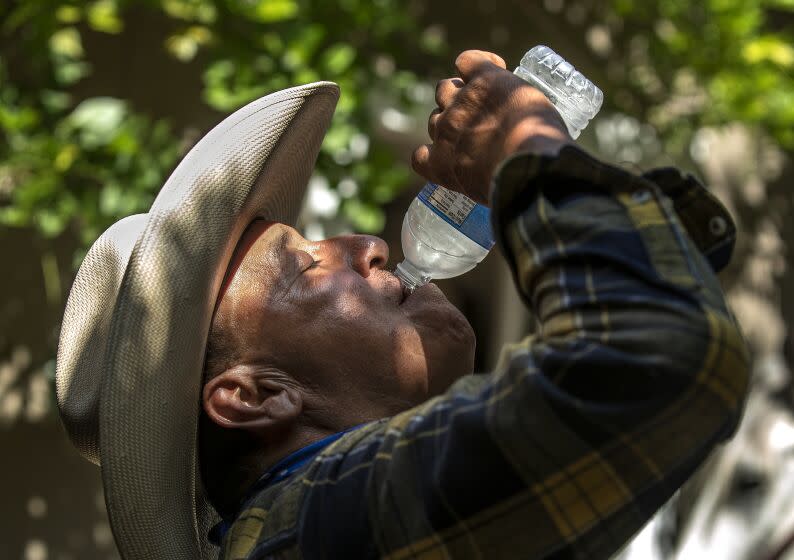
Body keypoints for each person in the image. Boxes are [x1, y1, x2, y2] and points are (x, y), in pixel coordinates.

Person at [56, 50, 749, 560]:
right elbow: (668, 358)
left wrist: (555, 180)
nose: (367, 245)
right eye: (304, 267)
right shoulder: (323, 526)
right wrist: (527, 154)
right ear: (253, 397)